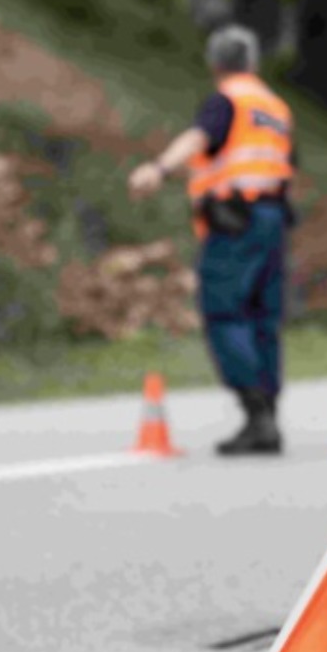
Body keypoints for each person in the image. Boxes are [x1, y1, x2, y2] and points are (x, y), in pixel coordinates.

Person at [128, 24, 295, 456]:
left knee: (225, 311)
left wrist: (160, 169)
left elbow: (200, 137)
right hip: (272, 218)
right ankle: (268, 418)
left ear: (215, 64)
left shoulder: (228, 100)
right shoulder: (275, 107)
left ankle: (255, 413)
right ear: (253, 62)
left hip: (233, 220)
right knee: (263, 316)